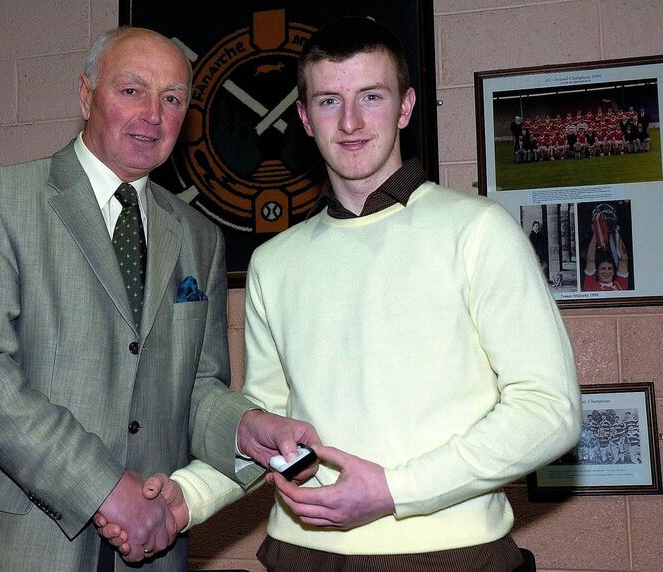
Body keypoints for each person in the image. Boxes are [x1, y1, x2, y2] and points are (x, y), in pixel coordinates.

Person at [104, 16, 582, 572]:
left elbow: (549, 411)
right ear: (305, 118)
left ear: (405, 108)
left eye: (370, 97)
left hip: (449, 557)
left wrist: (394, 489)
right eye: (329, 101)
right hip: (297, 556)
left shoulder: (479, 231)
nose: (351, 122)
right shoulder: (275, 262)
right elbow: (269, 428)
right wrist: (185, 499)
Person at [0, 26, 317, 572]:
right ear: (86, 95)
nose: (152, 115)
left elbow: (198, 388)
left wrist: (245, 428)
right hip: (16, 546)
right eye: (131, 90)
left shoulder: (199, 237)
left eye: (172, 99)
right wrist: (104, 487)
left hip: (152, 549)